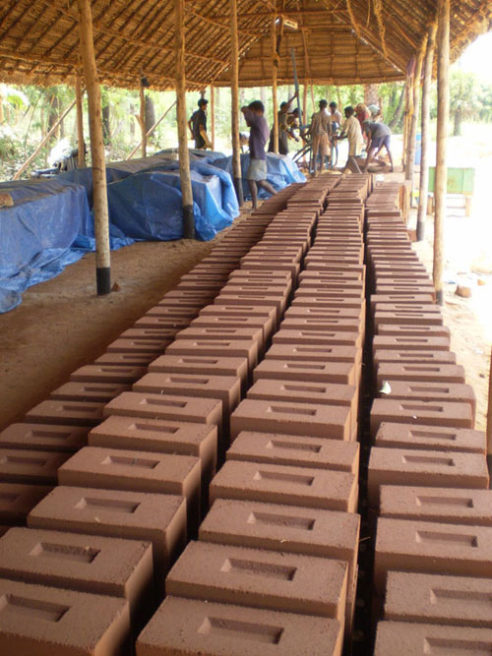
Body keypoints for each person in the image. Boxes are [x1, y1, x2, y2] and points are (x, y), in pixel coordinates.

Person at [241, 100, 277, 209]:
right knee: (260, 181)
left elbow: (246, 111)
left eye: (253, 111)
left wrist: (245, 109)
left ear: (258, 111)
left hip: (258, 156)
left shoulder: (259, 120)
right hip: (258, 155)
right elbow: (249, 121)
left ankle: (255, 205)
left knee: (253, 180)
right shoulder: (261, 121)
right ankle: (276, 196)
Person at [336, 106, 364, 173]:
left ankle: (358, 172)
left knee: (351, 157)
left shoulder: (348, 121)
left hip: (354, 140)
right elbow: (350, 132)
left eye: (345, 113)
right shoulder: (355, 119)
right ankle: (345, 169)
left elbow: (343, 132)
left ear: (348, 113)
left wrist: (338, 137)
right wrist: (341, 137)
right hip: (359, 139)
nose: (345, 114)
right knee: (350, 156)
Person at [309, 99, 331, 175]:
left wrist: (308, 133)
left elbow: (312, 127)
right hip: (324, 135)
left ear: (319, 105)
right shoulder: (328, 116)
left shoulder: (315, 115)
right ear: (325, 106)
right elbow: (329, 128)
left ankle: (314, 170)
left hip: (316, 134)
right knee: (322, 153)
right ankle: (321, 169)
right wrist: (329, 136)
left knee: (315, 152)